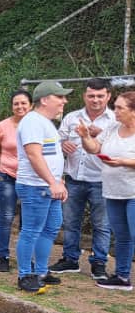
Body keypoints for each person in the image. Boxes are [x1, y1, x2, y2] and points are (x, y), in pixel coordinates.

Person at [49, 78, 114, 279]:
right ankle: (70, 259)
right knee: (70, 221)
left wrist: (101, 134)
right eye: (91, 95)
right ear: (84, 96)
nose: (95, 100)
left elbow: (123, 146)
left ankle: (99, 263)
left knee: (102, 224)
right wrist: (62, 145)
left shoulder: (115, 120)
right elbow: (56, 140)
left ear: (108, 96)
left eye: (100, 96)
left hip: (102, 179)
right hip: (74, 178)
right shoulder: (71, 117)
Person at [15, 80, 72, 292]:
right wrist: (51, 182)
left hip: (48, 186)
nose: (64, 101)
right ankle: (24, 275)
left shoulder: (46, 122)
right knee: (30, 231)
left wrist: (59, 181)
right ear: (45, 99)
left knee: (51, 227)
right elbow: (33, 155)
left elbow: (51, 155)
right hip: (35, 187)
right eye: (60, 97)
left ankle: (41, 270)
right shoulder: (32, 122)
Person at [77, 90, 135, 290]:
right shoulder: (112, 127)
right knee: (122, 235)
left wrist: (124, 162)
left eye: (120, 108)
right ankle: (122, 276)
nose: (115, 111)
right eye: (115, 106)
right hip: (113, 191)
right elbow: (94, 148)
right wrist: (85, 137)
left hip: (133, 192)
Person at [0, 90, 33, 272]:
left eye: (23, 103)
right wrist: (9, 161)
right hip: (7, 176)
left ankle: (26, 257)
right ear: (11, 106)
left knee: (28, 220)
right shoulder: (2, 126)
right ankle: (4, 255)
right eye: (16, 103)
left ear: (31, 105)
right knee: (6, 216)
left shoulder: (38, 124)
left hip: (31, 178)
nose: (20, 107)